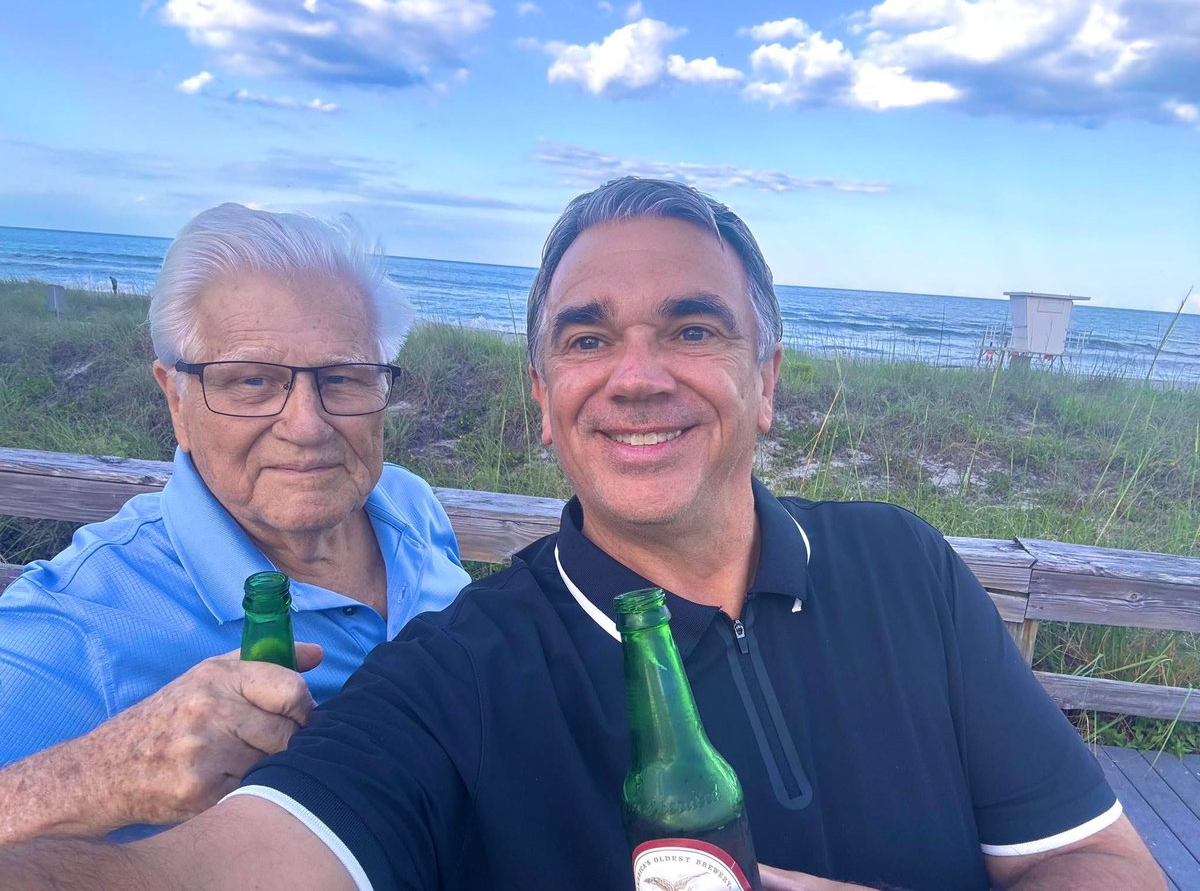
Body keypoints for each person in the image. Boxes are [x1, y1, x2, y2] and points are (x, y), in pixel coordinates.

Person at [0, 179, 1162, 890]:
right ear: (545, 400)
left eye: (693, 328)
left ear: (767, 380)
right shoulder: (450, 673)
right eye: (589, 338)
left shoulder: (907, 566)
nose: (638, 376)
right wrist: (89, 779)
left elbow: (1090, 856)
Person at [0, 204, 469, 845]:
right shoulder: (79, 621)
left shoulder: (408, 504)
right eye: (251, 381)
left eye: (342, 378)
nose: (307, 426)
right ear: (177, 399)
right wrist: (100, 774)